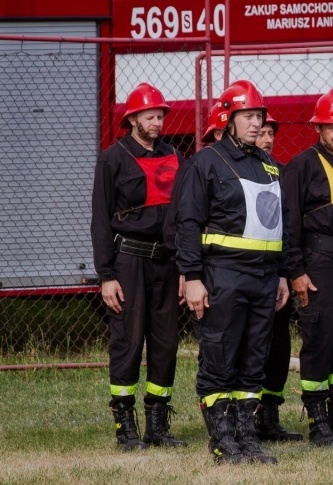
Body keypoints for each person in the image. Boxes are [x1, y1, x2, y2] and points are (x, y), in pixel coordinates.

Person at [175, 79, 289, 464]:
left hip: (264, 277)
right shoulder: (205, 163)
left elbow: (279, 225)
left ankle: (247, 438)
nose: (257, 124)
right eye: (248, 116)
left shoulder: (270, 164)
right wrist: (192, 278)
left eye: (259, 116)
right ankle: (223, 442)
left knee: (254, 359)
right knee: (220, 356)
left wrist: (283, 275)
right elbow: (188, 223)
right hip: (222, 274)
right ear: (227, 119)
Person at [91, 82, 187, 451]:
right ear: (131, 119)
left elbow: (182, 216)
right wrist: (106, 276)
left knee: (166, 343)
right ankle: (125, 425)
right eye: (149, 115)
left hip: (167, 262)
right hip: (128, 261)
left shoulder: (174, 156)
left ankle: (158, 425)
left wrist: (184, 270)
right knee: (128, 342)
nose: (157, 121)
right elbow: (101, 220)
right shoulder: (112, 159)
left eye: (160, 115)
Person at [282, 89, 333, 446]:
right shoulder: (303, 165)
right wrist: (296, 270)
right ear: (318, 128)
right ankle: (317, 418)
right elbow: (289, 223)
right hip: (320, 263)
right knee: (319, 340)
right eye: (332, 126)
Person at [252, 111, 303, 442]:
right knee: (250, 344)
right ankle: (246, 415)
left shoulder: (280, 174)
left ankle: (270, 415)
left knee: (279, 346)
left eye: (271, 132)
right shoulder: (230, 171)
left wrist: (286, 271)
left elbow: (288, 228)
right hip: (243, 273)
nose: (268, 139)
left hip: (275, 274)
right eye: (262, 132)